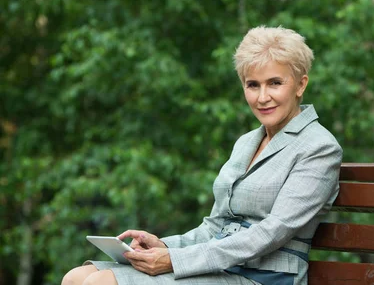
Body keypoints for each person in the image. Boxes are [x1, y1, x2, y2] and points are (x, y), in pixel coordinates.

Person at [61, 26, 343, 285]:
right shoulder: (247, 142)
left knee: (100, 283)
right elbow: (216, 226)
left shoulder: (319, 148)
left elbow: (271, 232)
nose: (262, 97)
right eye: (252, 85)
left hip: (264, 278)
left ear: (300, 85)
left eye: (274, 83)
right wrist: (167, 247)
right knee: (77, 278)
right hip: (220, 270)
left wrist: (175, 261)